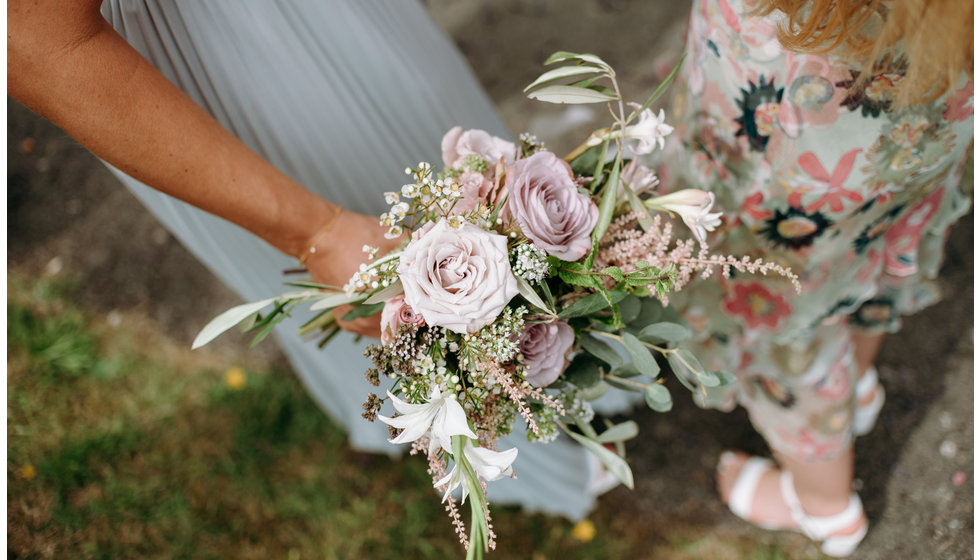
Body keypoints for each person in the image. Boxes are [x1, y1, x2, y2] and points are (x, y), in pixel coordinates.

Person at [7, 0, 621, 520]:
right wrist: (316, 230)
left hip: (342, 20)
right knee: (400, 296)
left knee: (478, 186)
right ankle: (528, 449)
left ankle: (586, 361)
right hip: (219, 70)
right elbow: (35, 41)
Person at [656, 0, 972, 555]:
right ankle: (855, 382)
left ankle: (824, 504)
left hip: (799, 89)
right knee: (867, 243)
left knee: (779, 292)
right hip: (931, 77)